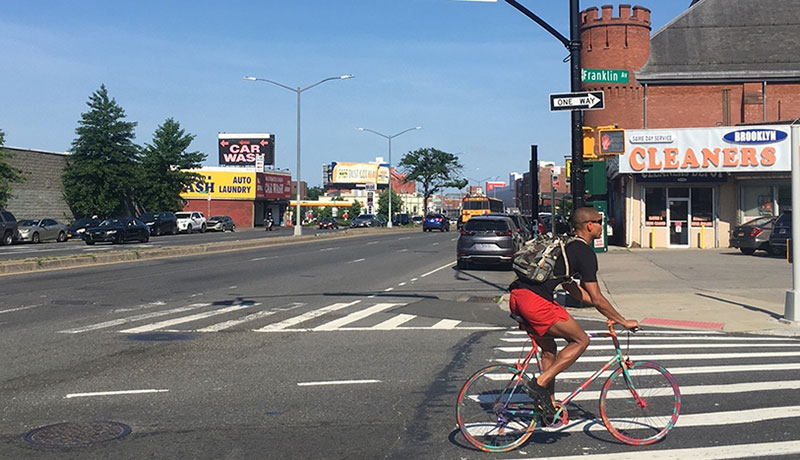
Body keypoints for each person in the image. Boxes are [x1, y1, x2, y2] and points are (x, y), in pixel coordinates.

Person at [509, 207, 639, 420]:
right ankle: (539, 383)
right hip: (535, 302)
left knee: (549, 350)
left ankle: (547, 406)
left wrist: (608, 313)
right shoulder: (585, 252)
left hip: (518, 297)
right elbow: (596, 297)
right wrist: (622, 321)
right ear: (590, 225)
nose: (601, 226)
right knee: (580, 340)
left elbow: (575, 291)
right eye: (599, 222)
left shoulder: (565, 245)